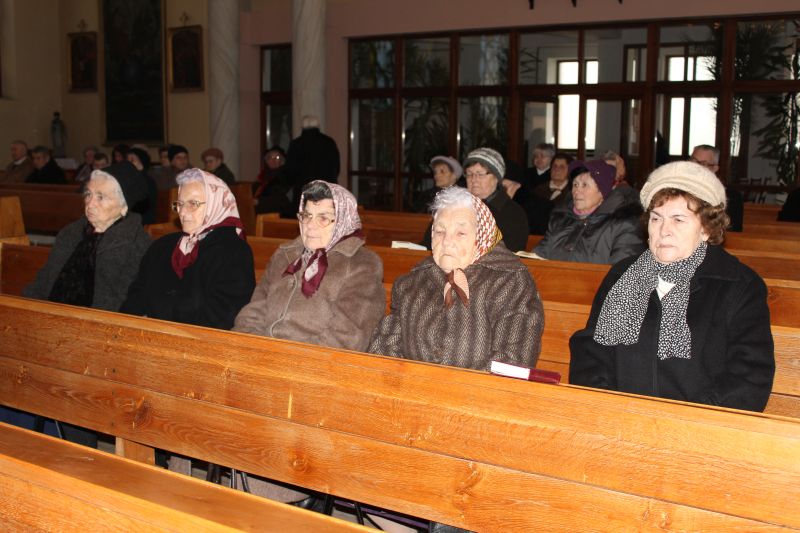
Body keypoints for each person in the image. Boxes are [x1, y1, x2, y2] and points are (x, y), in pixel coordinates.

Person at [569, 161, 775, 412]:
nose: (664, 231)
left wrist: (681, 422)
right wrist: (610, 411)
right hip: (619, 421)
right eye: (656, 219)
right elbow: (591, 355)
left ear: (706, 228)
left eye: (678, 219)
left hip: (699, 426)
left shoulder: (738, 285)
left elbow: (749, 378)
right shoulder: (623, 276)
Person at [10, 161, 151, 447]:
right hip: (52, 330)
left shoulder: (137, 244)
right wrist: (19, 315)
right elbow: (43, 283)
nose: (90, 203)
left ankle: (76, 449)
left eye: (101, 197)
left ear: (124, 206)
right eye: (88, 194)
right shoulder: (71, 233)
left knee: (73, 380)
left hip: (101, 342)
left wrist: (79, 336)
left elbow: (122, 305)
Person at [370, 186, 544, 371]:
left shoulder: (511, 283)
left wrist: (451, 387)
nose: (446, 241)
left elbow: (513, 361)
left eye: (460, 233)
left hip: (478, 389)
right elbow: (384, 348)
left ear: (481, 237)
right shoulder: (412, 283)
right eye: (440, 231)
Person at [122, 168, 254, 330]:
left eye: (193, 204)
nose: (183, 212)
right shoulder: (162, 246)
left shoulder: (234, 252)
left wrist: (158, 322)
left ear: (216, 205)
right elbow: (134, 299)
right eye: (180, 204)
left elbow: (221, 319)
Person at [532, 159, 645, 264]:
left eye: (584, 185)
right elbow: (539, 256)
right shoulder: (560, 219)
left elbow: (621, 271)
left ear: (602, 192)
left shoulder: (624, 225)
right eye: (575, 184)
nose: (577, 191)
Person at [463, 147, 529, 252]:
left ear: (496, 178)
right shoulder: (458, 206)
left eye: (480, 174)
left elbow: (509, 254)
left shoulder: (513, 213)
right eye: (469, 174)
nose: (473, 179)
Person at [285, 115, 340, 208]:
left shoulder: (296, 144)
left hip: (303, 191)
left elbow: (290, 171)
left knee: (305, 215)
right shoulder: (329, 142)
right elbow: (336, 168)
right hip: (325, 190)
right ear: (318, 126)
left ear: (302, 127)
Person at [690, 144, 743, 232]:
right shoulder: (677, 190)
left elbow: (732, 231)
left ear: (714, 168)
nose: (696, 167)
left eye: (703, 164)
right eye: (694, 161)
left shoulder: (731, 196)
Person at [253, 146, 292, 215]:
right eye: (270, 157)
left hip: (276, 214)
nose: (273, 160)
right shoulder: (262, 176)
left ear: (282, 161)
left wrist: (258, 201)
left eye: (277, 157)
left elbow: (280, 199)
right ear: (267, 161)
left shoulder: (284, 176)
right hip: (259, 212)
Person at [127, 146, 159, 225]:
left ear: (142, 162)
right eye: (127, 160)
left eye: (132, 160)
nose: (128, 163)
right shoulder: (127, 179)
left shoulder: (147, 181)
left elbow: (142, 206)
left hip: (143, 221)